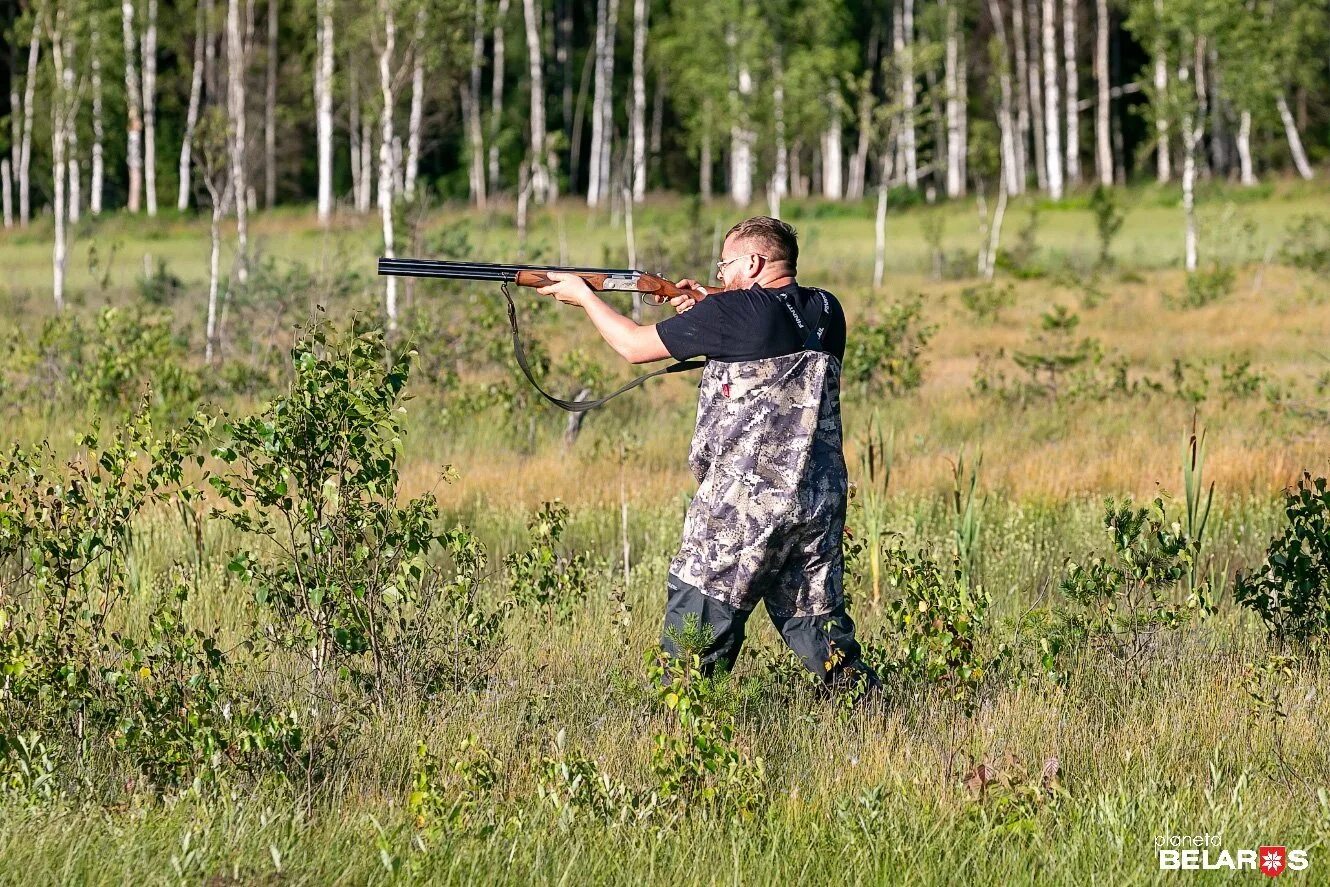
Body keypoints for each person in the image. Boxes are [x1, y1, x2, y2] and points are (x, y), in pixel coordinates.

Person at [536, 216, 875, 690]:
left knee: (693, 644)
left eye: (725, 265)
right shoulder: (826, 308)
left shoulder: (731, 314)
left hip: (742, 507)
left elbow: (634, 346)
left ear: (754, 262)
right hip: (817, 503)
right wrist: (699, 303)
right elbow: (770, 320)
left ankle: (686, 740)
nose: (720, 276)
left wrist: (584, 297)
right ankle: (875, 713)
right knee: (822, 632)